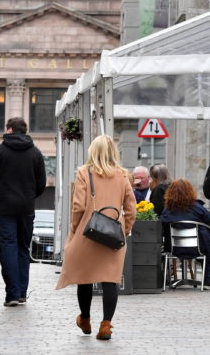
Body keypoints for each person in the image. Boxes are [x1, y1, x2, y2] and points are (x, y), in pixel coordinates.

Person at [56, 135, 136, 341]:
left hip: (87, 233)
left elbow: (79, 207)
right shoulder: (122, 176)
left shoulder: (84, 173)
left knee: (84, 278)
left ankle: (85, 319)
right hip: (113, 236)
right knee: (110, 280)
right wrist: (125, 230)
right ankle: (106, 325)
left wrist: (75, 229)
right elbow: (131, 209)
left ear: (93, 151)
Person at [0, 117, 47, 307]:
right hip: (26, 207)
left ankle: (11, 294)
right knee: (22, 249)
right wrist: (29, 196)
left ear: (9, 129)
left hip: (5, 207)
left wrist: (0, 194)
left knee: (8, 247)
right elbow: (42, 183)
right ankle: (21, 293)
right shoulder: (35, 152)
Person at [159, 178, 210, 288]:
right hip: (198, 248)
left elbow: (161, 228)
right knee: (206, 241)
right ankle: (207, 279)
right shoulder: (198, 208)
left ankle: (166, 280)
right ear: (190, 191)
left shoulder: (167, 211)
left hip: (174, 248)